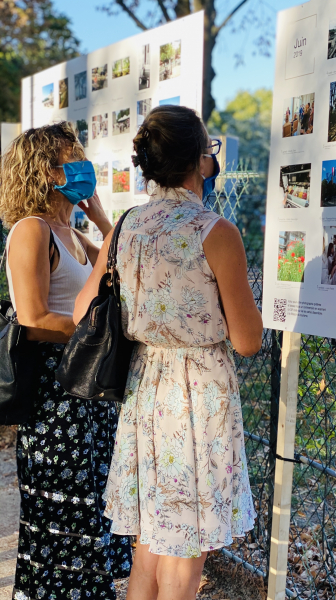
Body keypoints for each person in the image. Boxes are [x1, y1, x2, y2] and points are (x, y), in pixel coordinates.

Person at [73, 105, 262, 600]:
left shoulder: (126, 227)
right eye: (210, 150)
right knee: (185, 550)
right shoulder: (216, 232)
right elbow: (247, 341)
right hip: (200, 395)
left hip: (146, 388)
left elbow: (80, 312)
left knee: (150, 543)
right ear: (200, 161)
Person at [0, 122, 132, 599]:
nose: (80, 165)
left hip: (88, 393)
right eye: (69, 158)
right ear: (43, 170)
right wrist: (95, 332)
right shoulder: (31, 230)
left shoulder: (70, 231)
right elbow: (33, 317)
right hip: (57, 400)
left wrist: (96, 214)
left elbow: (117, 259)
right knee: (61, 519)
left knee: (93, 514)